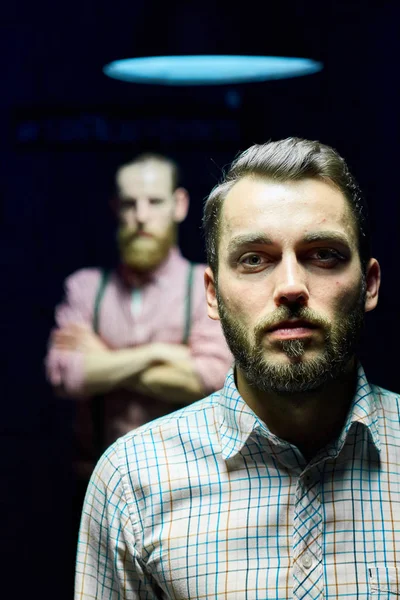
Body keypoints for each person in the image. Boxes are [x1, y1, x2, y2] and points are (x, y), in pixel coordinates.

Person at [75, 138, 400, 599]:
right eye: (254, 259)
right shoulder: (131, 482)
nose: (291, 287)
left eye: (323, 254)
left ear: (368, 285)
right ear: (212, 293)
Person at [45, 153, 232, 480]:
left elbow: (214, 379)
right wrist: (159, 354)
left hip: (189, 482)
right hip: (98, 481)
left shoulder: (205, 284)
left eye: (154, 202)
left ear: (179, 205)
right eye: (130, 203)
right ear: (116, 208)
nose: (141, 216)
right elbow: (66, 375)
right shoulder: (86, 287)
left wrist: (104, 360)